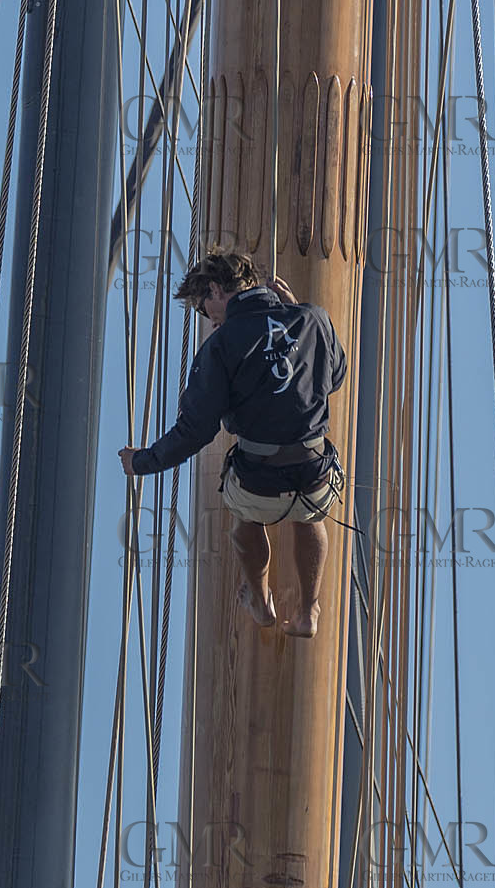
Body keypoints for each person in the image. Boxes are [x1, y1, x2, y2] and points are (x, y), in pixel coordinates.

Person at [118, 247, 347, 637]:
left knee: (244, 523)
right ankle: (309, 611)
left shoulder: (220, 346)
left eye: (203, 309)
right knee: (311, 517)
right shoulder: (312, 318)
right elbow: (335, 377)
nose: (208, 320)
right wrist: (297, 313)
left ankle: (259, 598)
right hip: (315, 474)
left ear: (214, 290)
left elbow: (195, 431)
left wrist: (142, 462)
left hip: (260, 481)